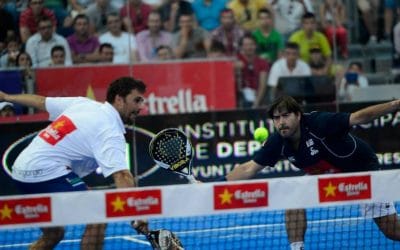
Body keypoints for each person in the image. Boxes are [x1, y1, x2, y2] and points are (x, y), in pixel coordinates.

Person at [223, 95, 400, 250]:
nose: (281, 122)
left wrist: (395, 104)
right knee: (294, 197)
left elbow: (360, 117)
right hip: (326, 174)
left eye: (286, 115)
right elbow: (249, 168)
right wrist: (211, 187)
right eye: (276, 118)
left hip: (361, 170)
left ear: (298, 115)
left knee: (392, 232)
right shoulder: (278, 141)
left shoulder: (320, 123)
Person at [0, 76, 146, 249]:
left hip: (20, 170)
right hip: (45, 172)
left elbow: (40, 102)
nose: (140, 107)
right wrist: (137, 210)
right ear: (119, 99)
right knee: (98, 212)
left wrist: (7, 97)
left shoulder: (83, 104)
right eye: (136, 101)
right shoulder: (110, 131)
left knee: (54, 234)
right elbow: (122, 175)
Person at [236, 34, 270, 108]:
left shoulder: (262, 62)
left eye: (251, 44)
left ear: (256, 46)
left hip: (257, 97)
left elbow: (262, 85)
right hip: (240, 98)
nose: (249, 47)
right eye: (246, 45)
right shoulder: (235, 60)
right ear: (241, 47)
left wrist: (256, 104)